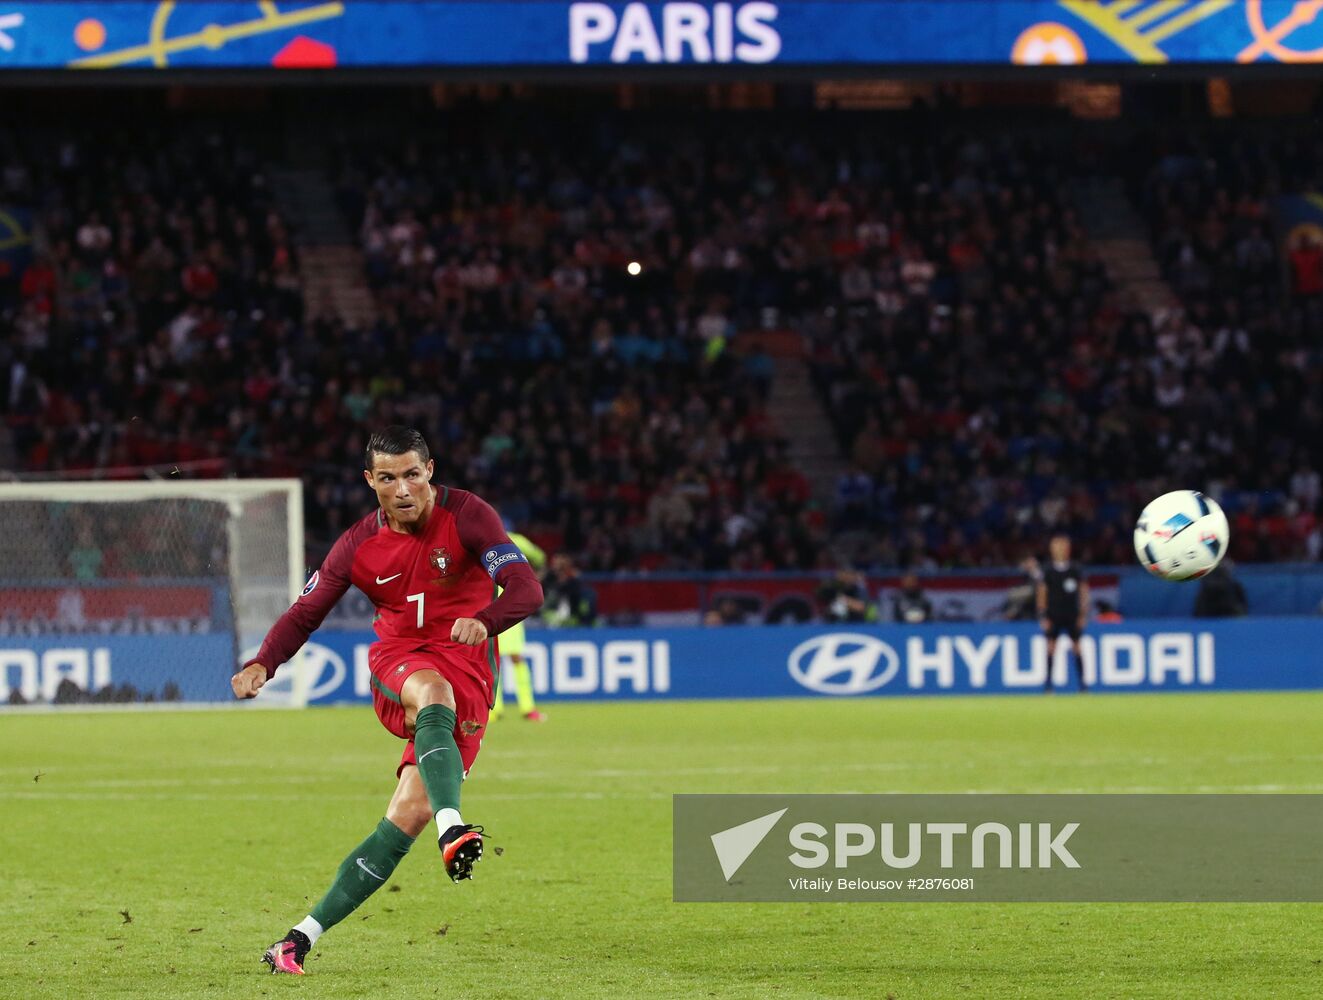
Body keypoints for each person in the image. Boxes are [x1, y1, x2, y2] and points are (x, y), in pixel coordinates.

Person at [230, 426, 543, 976]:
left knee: (405, 817)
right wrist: (264, 661)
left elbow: (525, 588)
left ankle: (295, 941)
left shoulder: (469, 516)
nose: (403, 488)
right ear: (370, 481)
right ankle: (454, 824)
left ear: (430, 471)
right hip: (399, 662)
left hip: (469, 670)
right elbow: (306, 612)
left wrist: (487, 620)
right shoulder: (357, 545)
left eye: (413, 475)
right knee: (431, 693)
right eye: (389, 478)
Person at [491, 526, 548, 722]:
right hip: (489, 604)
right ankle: (494, 709)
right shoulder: (477, 540)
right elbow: (539, 558)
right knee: (493, 658)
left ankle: (527, 707)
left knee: (513, 657)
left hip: (509, 603)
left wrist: (531, 577)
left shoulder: (515, 540)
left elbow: (539, 557)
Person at [1037, 534, 1089, 692]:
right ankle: (1048, 685)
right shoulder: (1048, 570)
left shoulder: (1075, 569)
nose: (1060, 550)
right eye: (1057, 546)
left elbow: (1083, 592)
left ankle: (1083, 684)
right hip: (1054, 615)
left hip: (1072, 614)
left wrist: (1082, 614)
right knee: (1051, 647)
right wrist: (1043, 616)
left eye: (1063, 546)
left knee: (1077, 647)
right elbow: (1042, 593)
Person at [541, 553, 599, 627]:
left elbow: (579, 603)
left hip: (570, 619)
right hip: (547, 618)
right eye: (555, 559)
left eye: (560, 559)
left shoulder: (574, 581)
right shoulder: (548, 579)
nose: (556, 562)